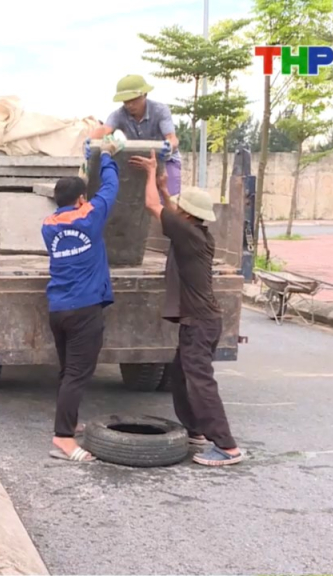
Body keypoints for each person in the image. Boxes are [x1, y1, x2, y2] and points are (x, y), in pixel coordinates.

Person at [129, 150, 244, 466]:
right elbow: (169, 208)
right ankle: (196, 430)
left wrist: (151, 174)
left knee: (199, 381)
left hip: (200, 322)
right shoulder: (196, 232)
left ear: (187, 214)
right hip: (202, 319)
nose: (174, 206)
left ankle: (227, 446)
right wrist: (167, 190)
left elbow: (153, 207)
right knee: (181, 376)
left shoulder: (187, 233)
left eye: (179, 204)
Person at [40, 136, 123, 462]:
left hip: (59, 309)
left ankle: (69, 425)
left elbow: (85, 204)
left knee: (68, 372)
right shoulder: (89, 217)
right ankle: (62, 439)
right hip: (85, 311)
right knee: (77, 374)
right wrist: (105, 157)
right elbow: (111, 188)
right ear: (81, 198)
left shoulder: (48, 224)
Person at [90, 75, 182, 198]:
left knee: (169, 200)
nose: (130, 105)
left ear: (145, 95)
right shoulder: (118, 115)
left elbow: (172, 138)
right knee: (137, 203)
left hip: (165, 160)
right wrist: (89, 142)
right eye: (126, 101)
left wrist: (169, 147)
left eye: (134, 100)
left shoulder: (160, 110)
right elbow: (104, 130)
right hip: (139, 162)